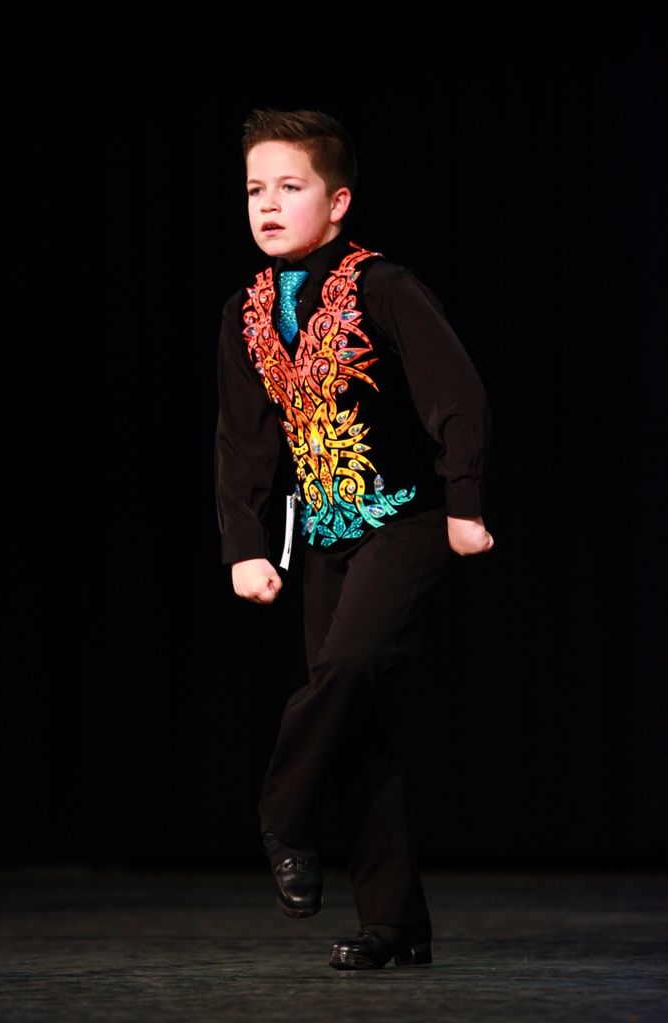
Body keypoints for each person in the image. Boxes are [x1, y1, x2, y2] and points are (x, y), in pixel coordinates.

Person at [214, 108, 494, 971]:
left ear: (336, 202)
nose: (268, 204)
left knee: (343, 671)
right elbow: (243, 441)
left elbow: (457, 396)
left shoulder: (383, 287)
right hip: (324, 535)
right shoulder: (247, 312)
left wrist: (463, 503)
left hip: (406, 519)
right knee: (359, 723)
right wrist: (244, 545)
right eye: (255, 189)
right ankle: (395, 925)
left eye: (288, 187)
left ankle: (281, 814)